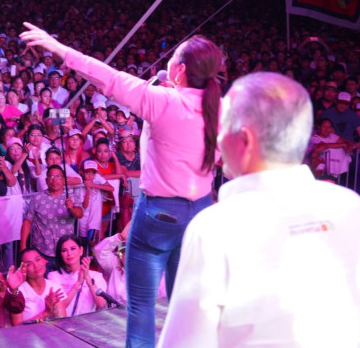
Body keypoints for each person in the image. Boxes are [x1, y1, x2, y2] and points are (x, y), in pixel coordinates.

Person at [21, 23, 222, 347]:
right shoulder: (217, 106)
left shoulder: (162, 101)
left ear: (180, 69)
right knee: (179, 300)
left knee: (141, 305)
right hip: (199, 211)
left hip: (160, 212)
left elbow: (109, 78)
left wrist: (58, 48)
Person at [158, 72, 360, 347]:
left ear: (245, 139)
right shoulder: (357, 211)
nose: (216, 139)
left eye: (222, 126)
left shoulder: (217, 228)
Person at [20, 165, 84, 269]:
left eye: (58, 176)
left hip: (65, 253)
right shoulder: (37, 198)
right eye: (51, 176)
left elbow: (79, 214)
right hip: (41, 252)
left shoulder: (71, 196)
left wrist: (71, 208)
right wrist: (23, 246)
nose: (54, 180)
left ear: (64, 180)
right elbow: (27, 221)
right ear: (46, 180)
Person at [47, 234, 107, 316]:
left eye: (73, 249)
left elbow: (101, 304)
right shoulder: (53, 276)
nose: (69, 253)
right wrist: (77, 284)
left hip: (87, 325)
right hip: (63, 325)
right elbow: (59, 307)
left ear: (81, 250)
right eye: (64, 250)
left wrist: (87, 278)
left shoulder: (96, 276)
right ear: (60, 254)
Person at [9, 247, 66, 325]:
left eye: (38, 259)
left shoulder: (55, 288)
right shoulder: (17, 292)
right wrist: (45, 313)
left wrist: (55, 309)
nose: (36, 265)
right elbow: (17, 327)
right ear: (22, 269)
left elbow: (62, 324)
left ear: (44, 260)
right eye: (29, 264)